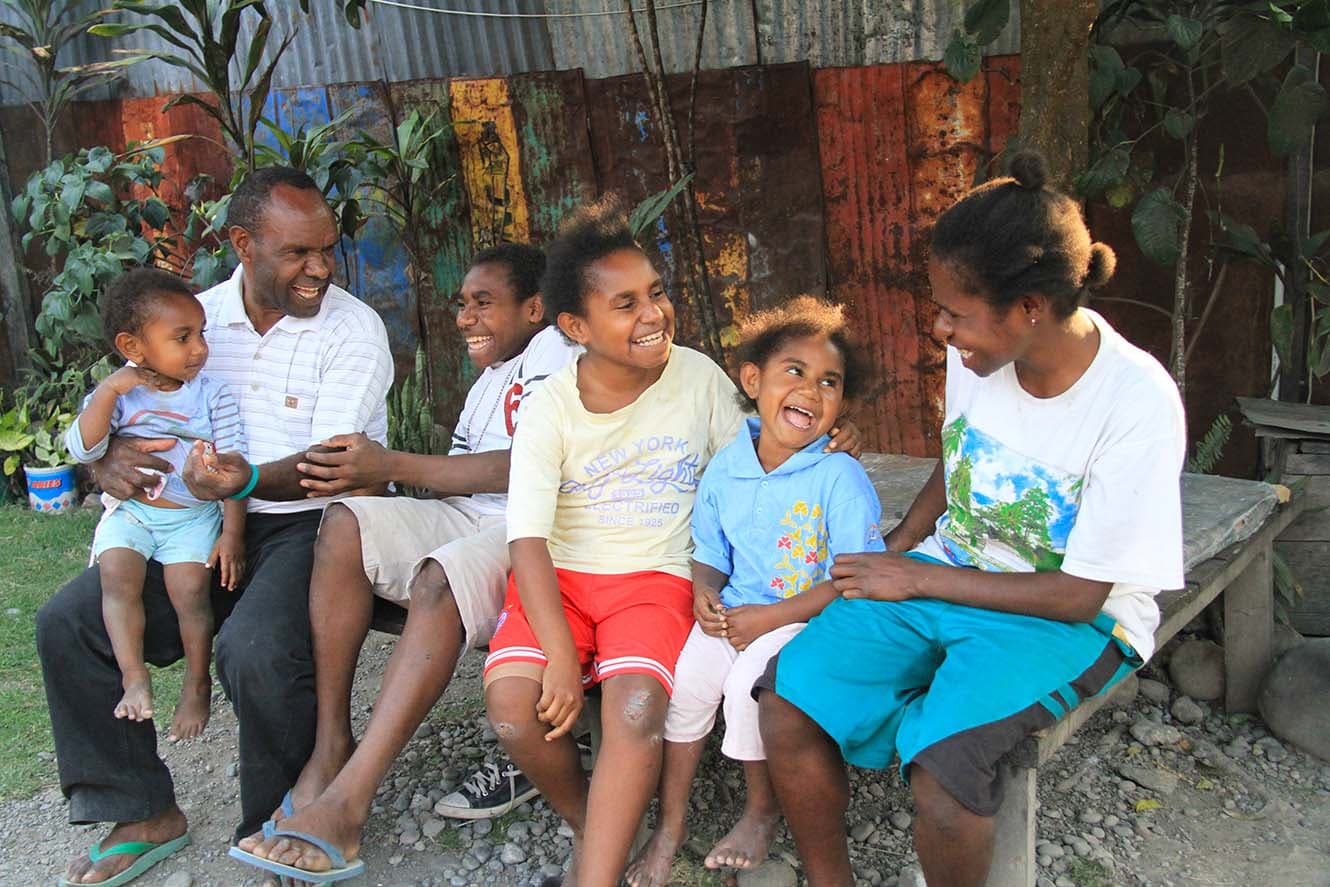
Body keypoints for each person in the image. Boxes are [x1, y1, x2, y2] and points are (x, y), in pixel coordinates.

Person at [756, 151, 1187, 887]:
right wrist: (900, 546)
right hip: (947, 568)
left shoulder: (1135, 402)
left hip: (1069, 618)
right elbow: (961, 458)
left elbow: (1079, 595)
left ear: (1030, 309)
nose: (941, 329)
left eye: (956, 314)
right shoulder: (980, 355)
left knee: (946, 779)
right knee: (789, 699)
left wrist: (916, 577)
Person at [482, 199, 859, 887]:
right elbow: (527, 541)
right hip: (561, 577)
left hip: (657, 579)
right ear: (575, 327)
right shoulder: (549, 407)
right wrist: (560, 654)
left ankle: (595, 873)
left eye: (656, 292)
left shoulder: (697, 378)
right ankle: (593, 825)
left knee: (635, 707)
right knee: (513, 710)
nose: (653, 313)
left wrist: (826, 436)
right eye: (625, 304)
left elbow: (761, 448)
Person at [38, 166, 393, 887]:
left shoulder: (352, 329)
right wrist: (105, 462)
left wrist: (247, 482)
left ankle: (285, 812)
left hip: (313, 524)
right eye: (297, 252)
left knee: (255, 648)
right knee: (68, 623)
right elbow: (116, 417)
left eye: (326, 249)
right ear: (242, 244)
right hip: (193, 523)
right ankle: (141, 810)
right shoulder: (187, 323)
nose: (320, 268)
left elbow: (335, 466)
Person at [229, 242, 582, 882]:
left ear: (535, 308)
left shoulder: (557, 351)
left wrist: (390, 463)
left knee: (439, 578)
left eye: (483, 303)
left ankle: (349, 801)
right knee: (346, 522)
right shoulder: (490, 380)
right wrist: (378, 490)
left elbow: (526, 469)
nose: (465, 318)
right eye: (462, 304)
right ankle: (331, 744)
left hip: (539, 530)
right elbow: (453, 483)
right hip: (474, 518)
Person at [626, 296, 884, 887]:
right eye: (794, 371)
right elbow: (710, 551)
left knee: (751, 684)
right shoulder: (727, 466)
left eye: (829, 382)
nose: (810, 390)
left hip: (811, 619)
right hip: (738, 610)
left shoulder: (839, 475)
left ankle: (761, 812)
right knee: (686, 682)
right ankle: (670, 824)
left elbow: (858, 576)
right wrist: (704, 592)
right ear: (752, 380)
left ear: (841, 403)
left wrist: (771, 619)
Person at [66, 268, 247, 743]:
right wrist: (109, 390)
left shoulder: (212, 395)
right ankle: (134, 676)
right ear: (132, 346)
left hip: (191, 517)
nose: (199, 349)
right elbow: (83, 448)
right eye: (183, 338)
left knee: (189, 592)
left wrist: (232, 533)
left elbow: (233, 467)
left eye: (201, 334)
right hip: (133, 514)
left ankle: (197, 681)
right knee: (116, 577)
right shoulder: (120, 397)